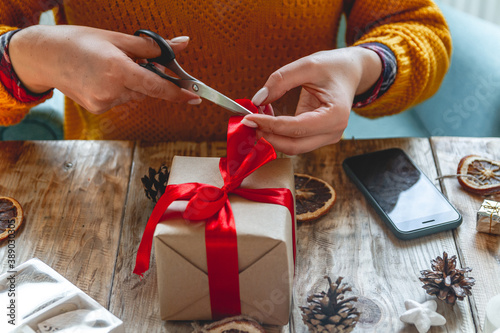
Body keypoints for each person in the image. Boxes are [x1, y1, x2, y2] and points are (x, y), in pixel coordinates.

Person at [0, 0, 451, 155]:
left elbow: (416, 26)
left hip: (300, 184)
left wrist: (363, 65)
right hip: (113, 192)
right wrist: (32, 56)